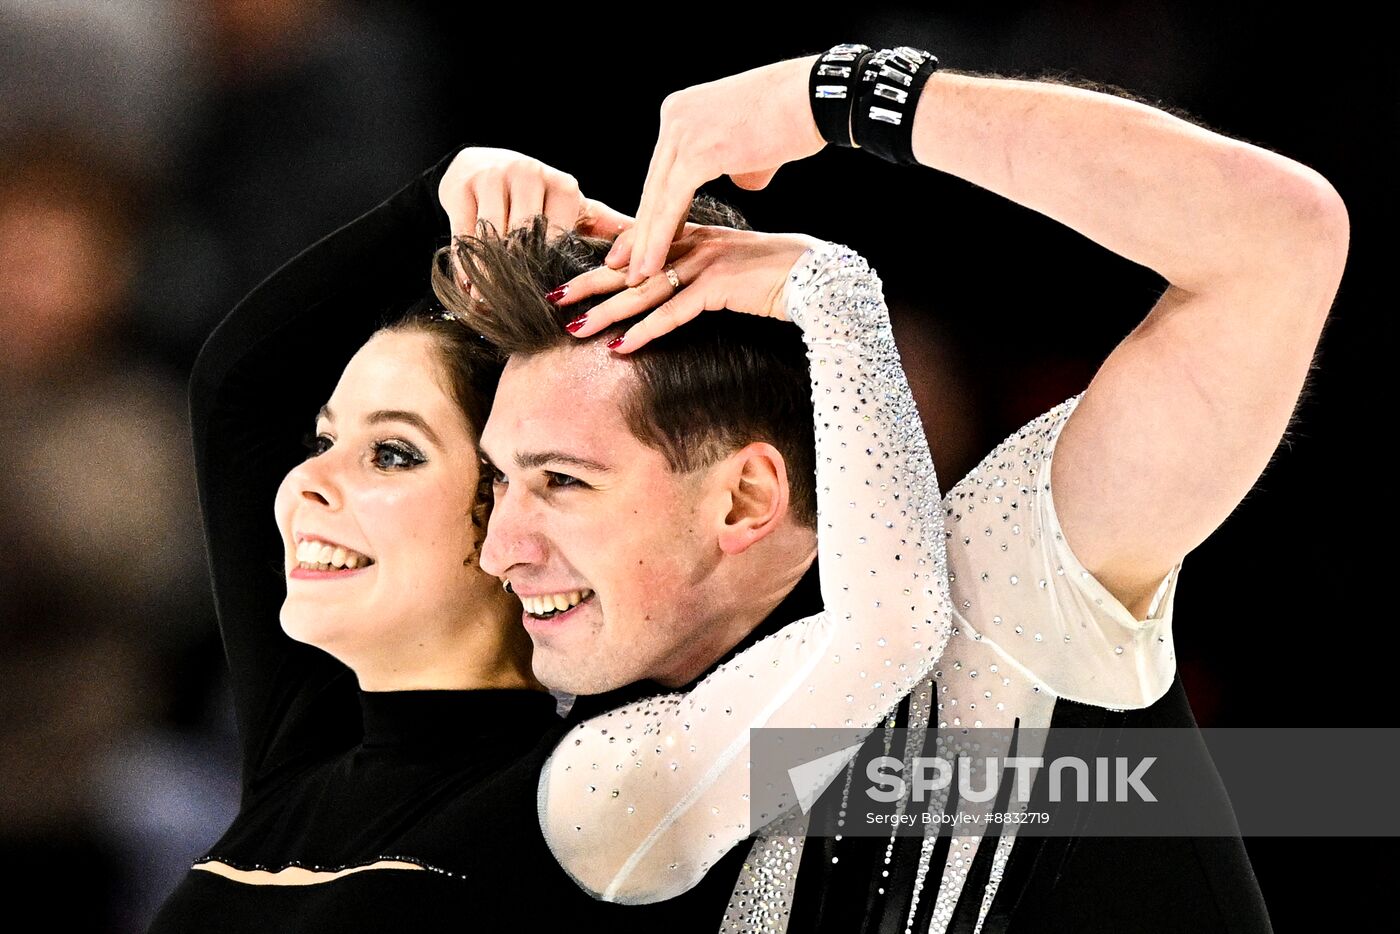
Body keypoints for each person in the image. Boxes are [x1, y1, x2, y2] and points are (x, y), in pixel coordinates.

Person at [441, 44, 1347, 932]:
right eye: (499, 479)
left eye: (562, 480)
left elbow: (1277, 244)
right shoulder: (530, 736)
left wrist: (856, 94)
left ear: (745, 500)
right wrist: (447, 193)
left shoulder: (997, 588)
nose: (497, 547)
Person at [147, 142, 954, 932]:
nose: (302, 485)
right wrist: (445, 196)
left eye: (393, 453)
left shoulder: (589, 788)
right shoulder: (313, 739)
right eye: (322, 443)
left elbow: (888, 632)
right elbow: (238, 393)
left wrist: (831, 290)